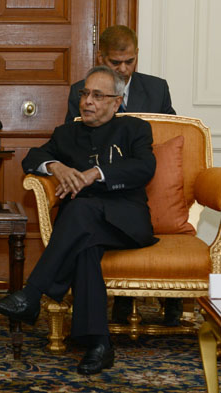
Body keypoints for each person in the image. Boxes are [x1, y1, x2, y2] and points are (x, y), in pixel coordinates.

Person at [0, 65, 157, 375]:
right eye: (84, 94)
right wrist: (56, 167)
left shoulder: (135, 129)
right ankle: (99, 345)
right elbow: (32, 158)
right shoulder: (66, 133)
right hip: (83, 229)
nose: (87, 101)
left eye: (97, 95)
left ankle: (31, 294)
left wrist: (97, 174)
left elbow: (144, 168)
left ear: (116, 102)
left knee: (79, 211)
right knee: (85, 248)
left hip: (125, 221)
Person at [65, 25, 180, 327]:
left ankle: (171, 301)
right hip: (103, 187)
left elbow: (170, 134)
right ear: (101, 57)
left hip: (146, 182)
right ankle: (115, 305)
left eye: (130, 61)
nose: (124, 69)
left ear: (136, 56)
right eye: (116, 63)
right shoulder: (83, 92)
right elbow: (72, 144)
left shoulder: (156, 89)